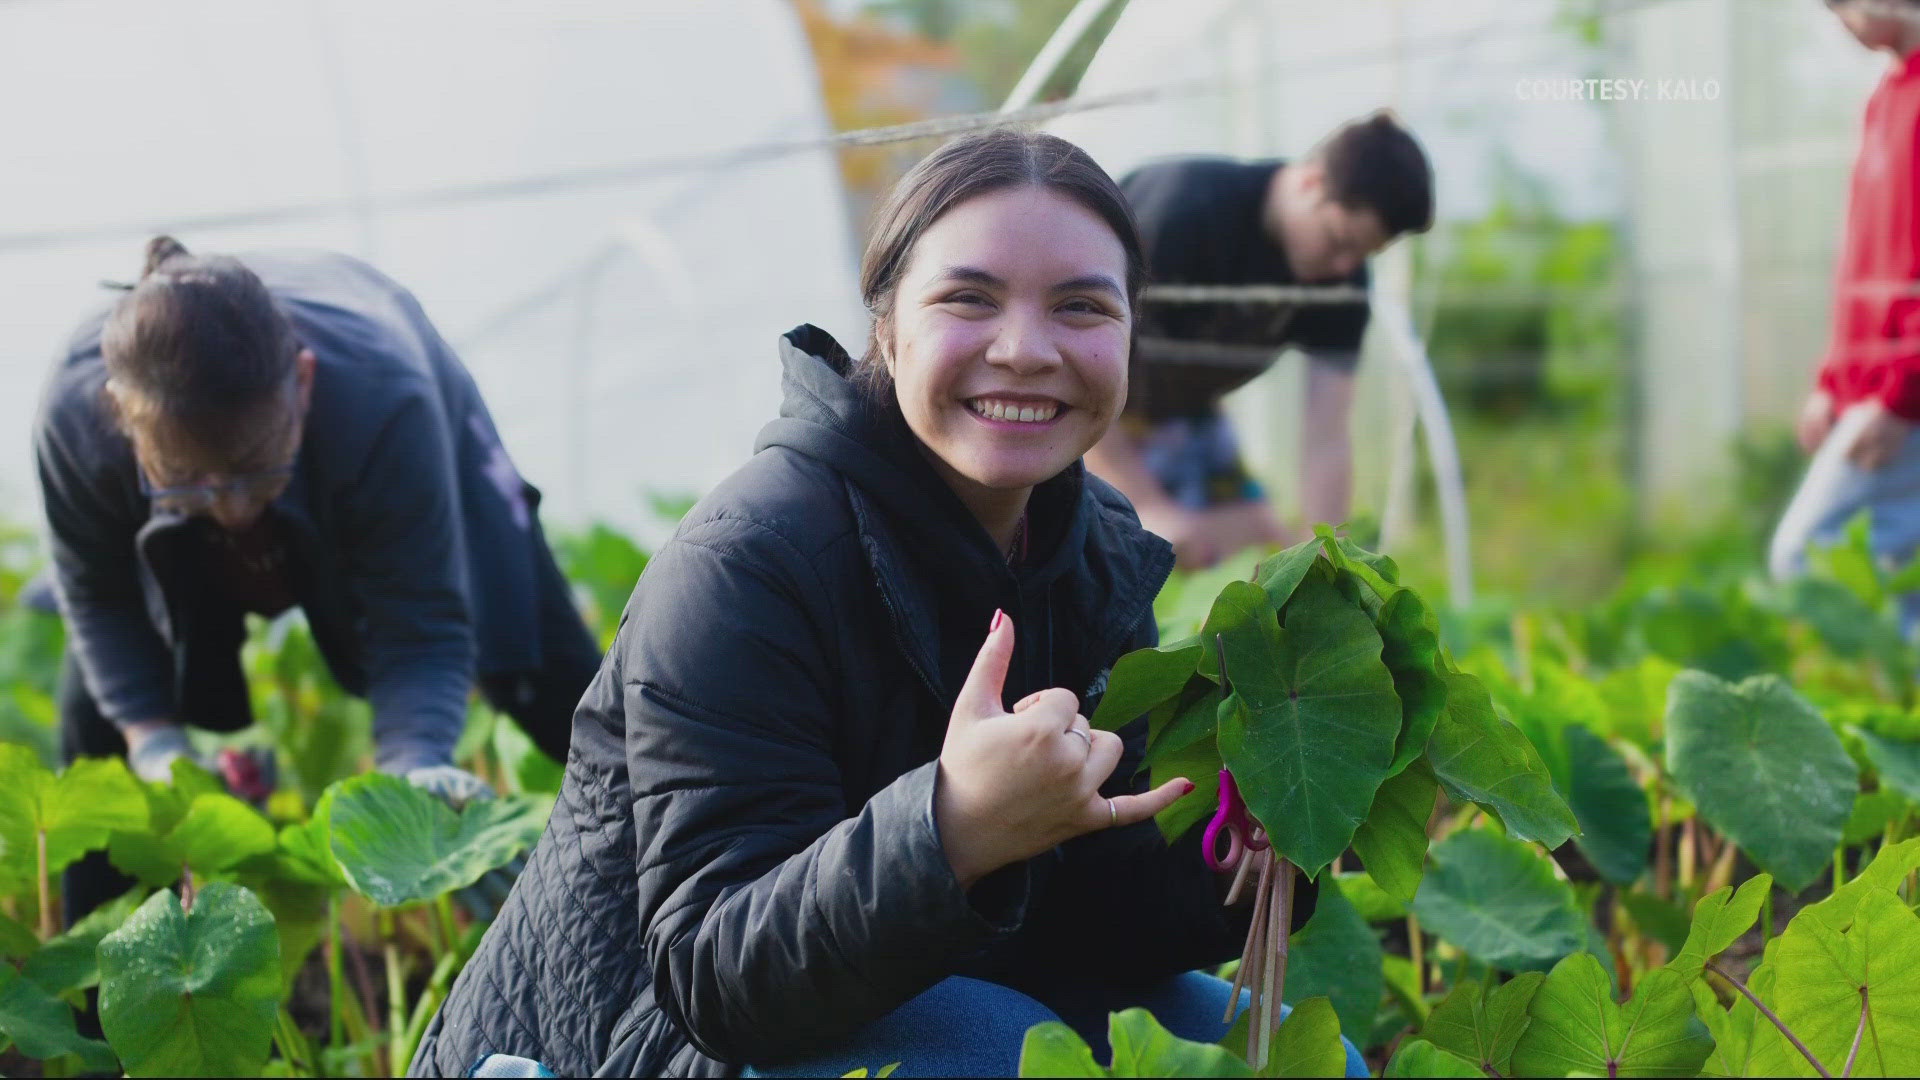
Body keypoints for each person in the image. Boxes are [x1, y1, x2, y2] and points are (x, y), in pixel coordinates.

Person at [409, 130, 1364, 1078]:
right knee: (1002, 1056)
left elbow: (1094, 913)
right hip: (642, 1044)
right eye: (968, 298)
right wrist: (952, 830)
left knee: (1322, 1065)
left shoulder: (1096, 553)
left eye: (1082, 306)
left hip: (939, 980)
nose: (1026, 350)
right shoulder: (747, 563)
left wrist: (1239, 855)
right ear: (887, 326)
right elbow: (711, 979)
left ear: (1130, 335)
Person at [35, 239, 603, 917]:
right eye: (191, 485)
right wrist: (154, 743)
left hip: (371, 418)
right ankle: (92, 1001)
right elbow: (100, 599)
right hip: (184, 479)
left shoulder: (383, 397)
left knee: (536, 657)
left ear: (302, 382)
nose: (234, 513)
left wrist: (416, 762)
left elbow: (420, 624)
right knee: (96, 717)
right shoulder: (75, 425)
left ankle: (654, 882)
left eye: (255, 469)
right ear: (121, 417)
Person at [1087, 111, 1434, 569]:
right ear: (1310, 182)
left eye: (1363, 255)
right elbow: (1076, 365)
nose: (1343, 268)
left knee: (1264, 547)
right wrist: (1150, 507)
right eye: (1338, 241)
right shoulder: (1182, 212)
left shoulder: (1343, 281)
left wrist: (1328, 559)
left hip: (1181, 413)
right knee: (1128, 556)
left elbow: (1327, 434)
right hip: (1081, 409)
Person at [1771, 0, 1920, 631]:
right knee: (1894, 573)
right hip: (1878, 387)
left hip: (1902, 392)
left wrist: (1903, 392)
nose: (1838, 20)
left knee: (1805, 553)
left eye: (1840, 3)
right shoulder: (1887, 96)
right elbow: (1867, 253)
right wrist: (1835, 378)